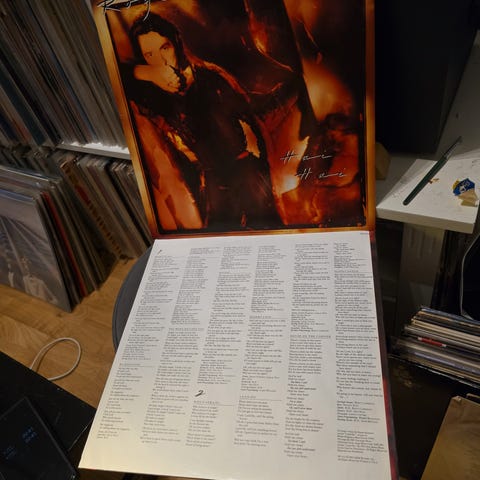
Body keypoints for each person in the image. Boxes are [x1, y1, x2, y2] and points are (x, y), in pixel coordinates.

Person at [123, 14, 282, 232]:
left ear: (176, 43)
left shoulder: (209, 76)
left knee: (266, 230)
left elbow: (252, 112)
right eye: (149, 55)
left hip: (246, 171)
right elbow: (119, 74)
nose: (161, 61)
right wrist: (150, 74)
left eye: (164, 48)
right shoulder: (154, 94)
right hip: (210, 180)